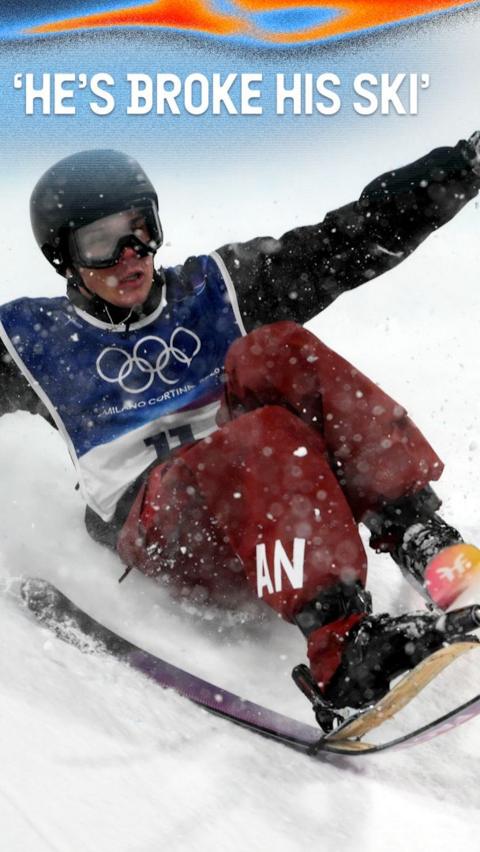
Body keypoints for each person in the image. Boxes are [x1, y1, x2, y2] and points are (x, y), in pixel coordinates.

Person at [1, 138, 480, 713]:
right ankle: (341, 646)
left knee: (277, 349)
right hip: (171, 537)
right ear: (65, 258)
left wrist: (464, 166)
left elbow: (346, 239)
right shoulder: (33, 341)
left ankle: (427, 546)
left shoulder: (214, 290)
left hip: (269, 515)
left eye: (140, 230)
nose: (130, 256)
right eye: (101, 244)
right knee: (256, 437)